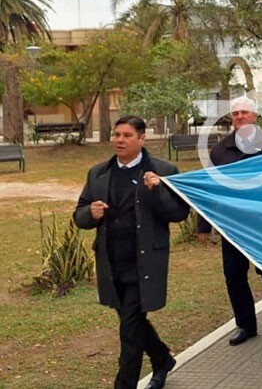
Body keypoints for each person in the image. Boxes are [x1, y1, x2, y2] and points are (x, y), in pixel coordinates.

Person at [74, 115, 189, 389]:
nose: (119, 140)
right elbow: (79, 215)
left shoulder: (162, 170)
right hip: (112, 265)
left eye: (126, 135)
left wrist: (158, 190)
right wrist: (89, 213)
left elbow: (179, 214)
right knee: (132, 322)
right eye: (116, 135)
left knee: (129, 331)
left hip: (145, 265)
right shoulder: (98, 173)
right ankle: (161, 358)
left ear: (141, 139)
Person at [197, 96, 262, 347]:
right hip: (233, 223)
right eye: (235, 113)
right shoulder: (220, 150)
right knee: (234, 274)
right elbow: (209, 187)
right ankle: (246, 325)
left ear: (255, 117)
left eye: (244, 113)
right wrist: (203, 226)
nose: (239, 117)